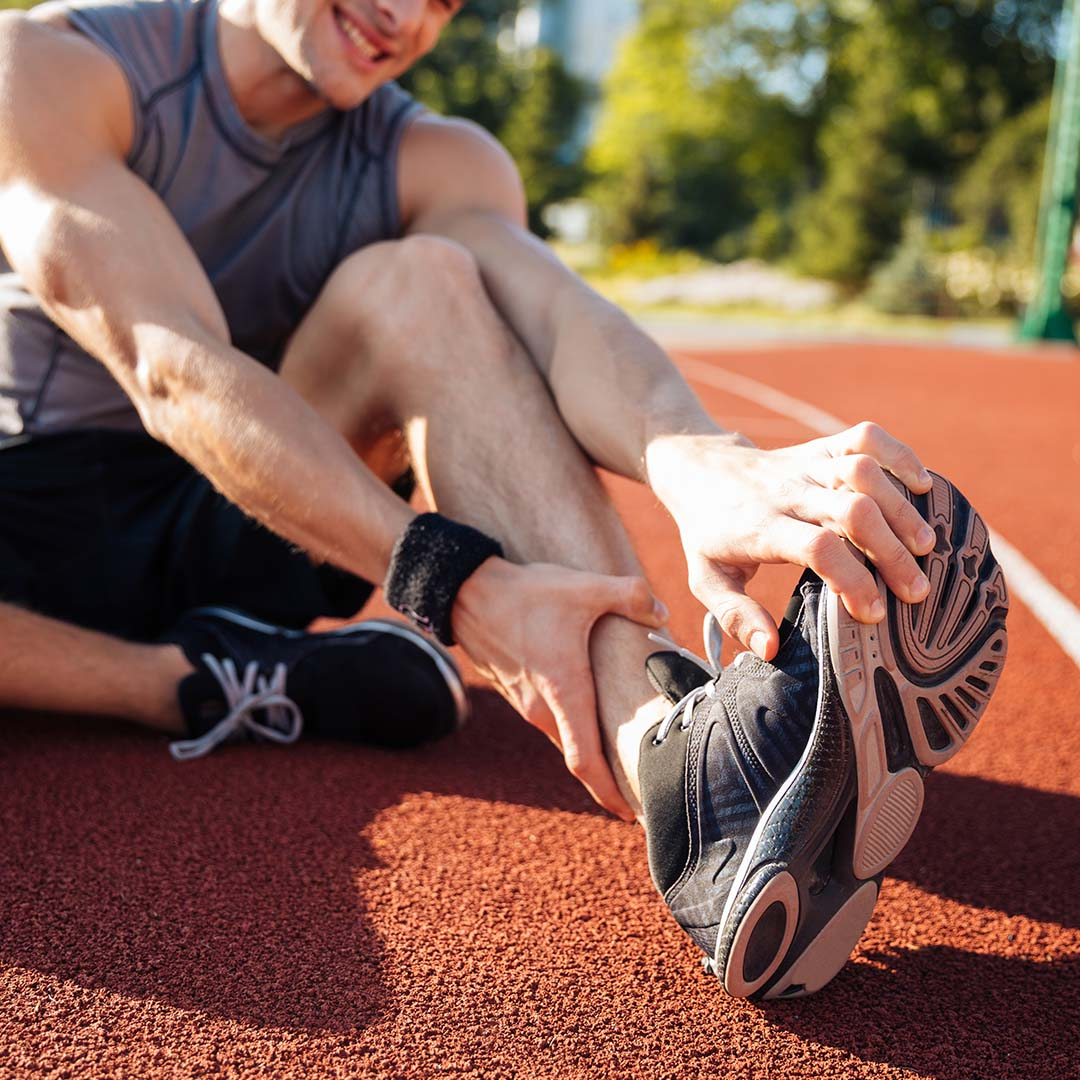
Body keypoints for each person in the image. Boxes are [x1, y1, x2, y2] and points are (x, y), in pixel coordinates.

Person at [0, 0, 1008, 998]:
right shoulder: (50, 67)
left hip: (259, 503)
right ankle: (194, 677)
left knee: (425, 280)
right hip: (32, 527)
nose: (405, 14)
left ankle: (687, 780)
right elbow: (169, 365)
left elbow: (555, 313)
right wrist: (457, 582)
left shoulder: (438, 160)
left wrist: (700, 460)